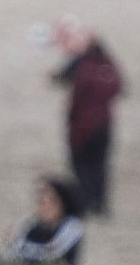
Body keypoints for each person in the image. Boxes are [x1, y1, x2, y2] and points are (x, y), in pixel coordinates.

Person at [50, 23, 123, 217]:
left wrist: (70, 118)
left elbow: (71, 91)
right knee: (100, 166)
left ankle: (88, 199)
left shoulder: (83, 65)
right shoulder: (110, 65)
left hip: (83, 126)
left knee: (80, 164)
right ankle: (100, 203)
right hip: (105, 124)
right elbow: (120, 88)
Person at [8, 176, 85, 265]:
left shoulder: (73, 227)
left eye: (51, 200)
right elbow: (12, 253)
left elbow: (52, 253)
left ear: (63, 203)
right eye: (41, 200)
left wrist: (21, 246)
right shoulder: (32, 228)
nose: (44, 205)